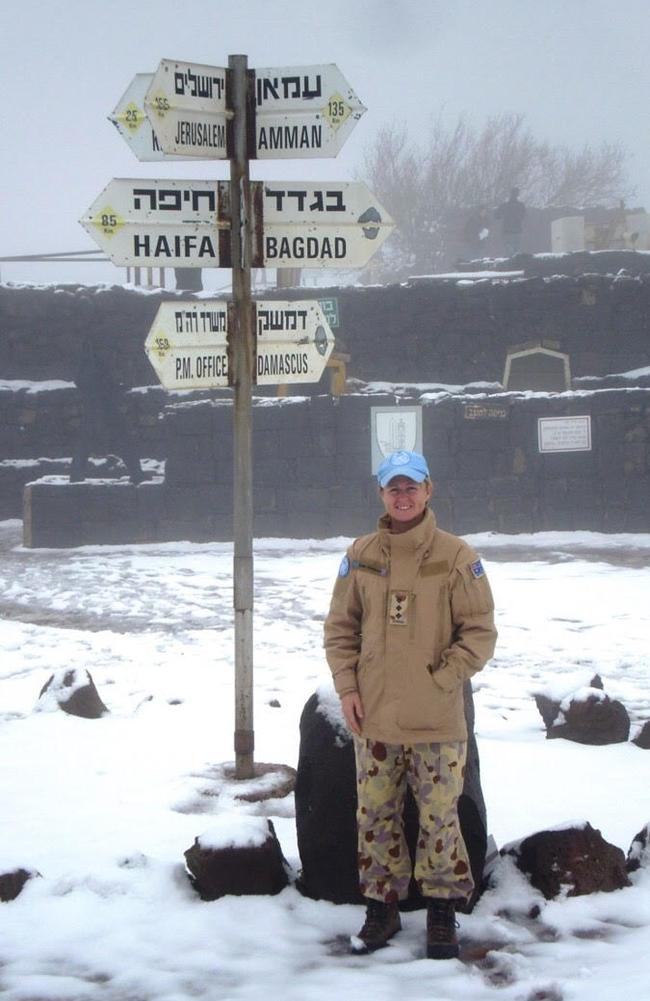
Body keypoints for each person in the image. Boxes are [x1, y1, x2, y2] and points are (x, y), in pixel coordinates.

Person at [323, 450, 497, 959]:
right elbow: (340, 629)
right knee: (375, 814)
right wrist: (348, 689)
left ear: (429, 490)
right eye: (393, 488)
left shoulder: (458, 556)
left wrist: (442, 679)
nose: (403, 496)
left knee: (440, 817)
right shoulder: (360, 555)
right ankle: (382, 908)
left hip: (437, 720)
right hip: (375, 717)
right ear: (381, 494)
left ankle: (442, 911)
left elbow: (480, 632)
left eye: (411, 487)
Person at [70, 334, 149, 485]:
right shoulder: (93, 364)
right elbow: (100, 387)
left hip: (97, 408)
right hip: (103, 408)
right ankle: (136, 474)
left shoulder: (90, 363)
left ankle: (76, 474)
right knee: (123, 439)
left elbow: (92, 384)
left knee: (87, 442)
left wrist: (117, 388)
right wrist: (117, 389)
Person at [495, 187, 526, 257]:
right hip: (517, 231)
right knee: (516, 252)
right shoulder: (521, 205)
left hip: (507, 232)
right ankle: (516, 264)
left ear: (510, 194)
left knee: (508, 251)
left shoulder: (504, 205)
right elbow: (523, 217)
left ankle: (510, 264)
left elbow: (497, 216)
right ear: (518, 195)